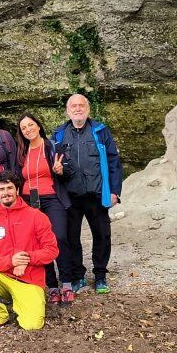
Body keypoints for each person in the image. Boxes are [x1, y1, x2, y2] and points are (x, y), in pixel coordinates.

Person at [0, 172, 58, 332]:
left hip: (29, 281)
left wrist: (26, 258)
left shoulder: (36, 217)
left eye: (9, 188)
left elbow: (52, 251)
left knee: (32, 325)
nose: (6, 193)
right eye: (1, 189)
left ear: (17, 190)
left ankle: (21, 302)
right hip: (2, 278)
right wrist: (10, 261)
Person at [52, 94, 123, 294]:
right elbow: (52, 162)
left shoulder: (100, 131)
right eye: (73, 106)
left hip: (97, 193)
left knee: (102, 235)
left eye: (81, 105)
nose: (77, 109)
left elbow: (113, 162)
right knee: (71, 237)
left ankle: (100, 275)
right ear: (67, 111)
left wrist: (115, 191)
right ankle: (78, 276)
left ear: (88, 109)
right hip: (70, 196)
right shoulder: (58, 134)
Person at [16, 113, 75, 305]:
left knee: (58, 237)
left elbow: (68, 170)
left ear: (38, 126)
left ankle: (66, 283)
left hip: (51, 198)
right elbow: (18, 177)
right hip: (29, 201)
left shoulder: (52, 147)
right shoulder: (21, 152)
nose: (28, 130)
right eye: (24, 128)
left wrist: (60, 170)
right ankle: (51, 286)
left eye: (31, 125)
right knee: (39, 243)